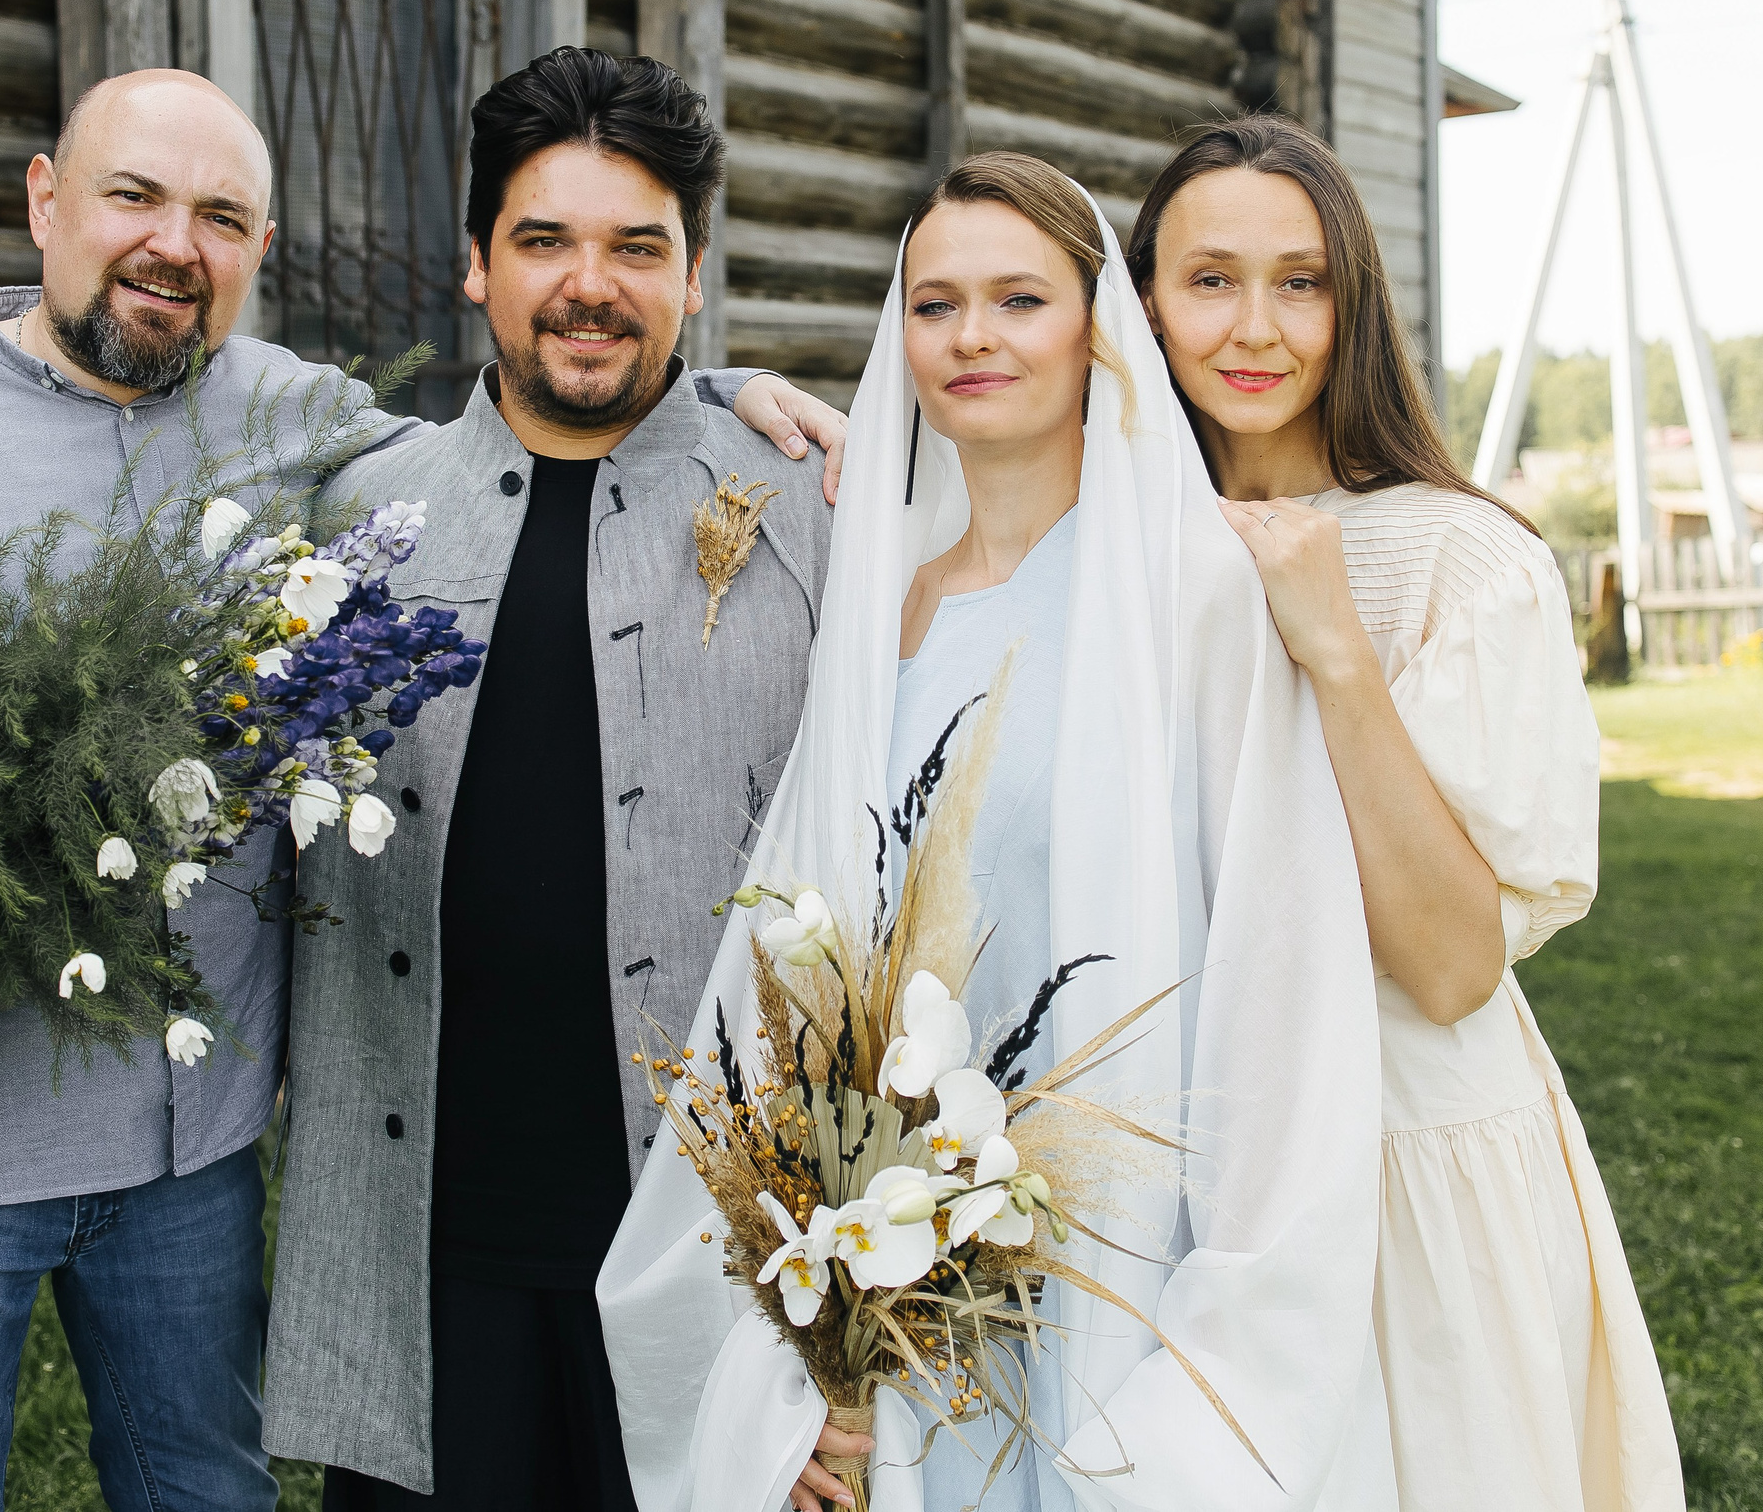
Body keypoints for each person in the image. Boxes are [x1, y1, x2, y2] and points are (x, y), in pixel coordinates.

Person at [0, 65, 844, 1512]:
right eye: (133, 197)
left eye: (220, 216)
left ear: (259, 250)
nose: (174, 244)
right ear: (44, 201)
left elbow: (552, 416)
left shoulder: (296, 423)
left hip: (188, 1163)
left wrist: (715, 398)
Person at [597, 152, 1397, 1511]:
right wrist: (823, 1331)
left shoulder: (1200, 593)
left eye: (1020, 300)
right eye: (936, 304)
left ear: (1100, 331)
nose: (972, 337)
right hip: (911, 1273)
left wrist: (1223, 1353)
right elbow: (818, 957)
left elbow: (1282, 972)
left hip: (1127, 1267)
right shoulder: (891, 609)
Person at [260, 48, 838, 1509]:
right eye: (544, 241)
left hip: (720, 1252)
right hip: (427, 1254)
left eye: (637, 247)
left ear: (693, 275)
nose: (590, 286)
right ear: (476, 265)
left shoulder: (813, 514)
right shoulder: (357, 518)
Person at [1125, 113, 1686, 1512]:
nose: (1256, 327)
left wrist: (1337, 653)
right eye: (1211, 280)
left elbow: (1448, 966)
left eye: (1301, 282)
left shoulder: (1460, 560)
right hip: (1178, 1158)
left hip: (1402, 1163)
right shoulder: (1116, 557)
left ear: (1353, 304)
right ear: (1145, 304)